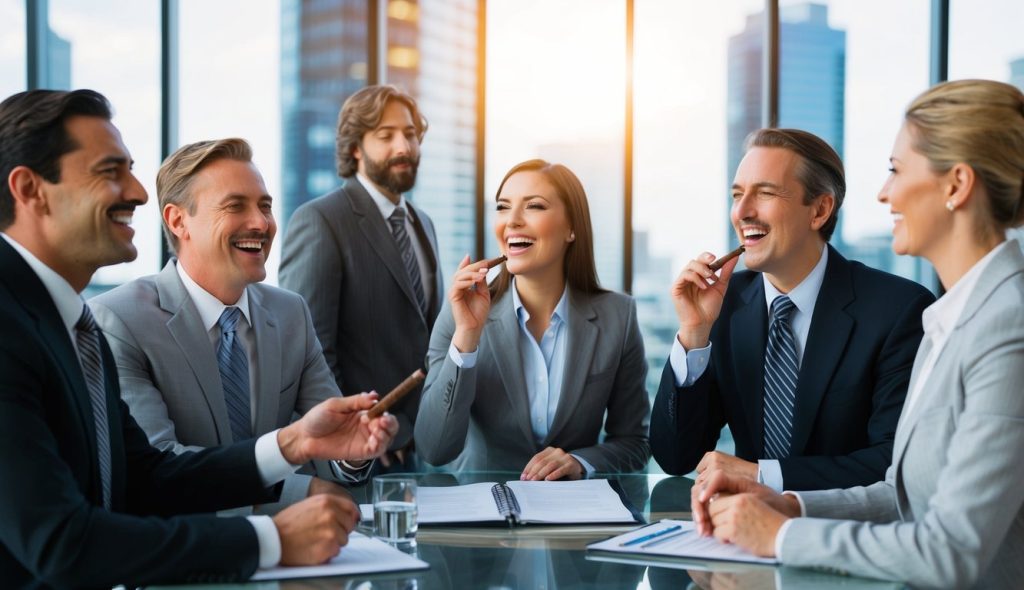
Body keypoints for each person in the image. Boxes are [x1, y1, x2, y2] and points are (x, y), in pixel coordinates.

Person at [0, 89, 397, 587]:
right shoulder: (28, 326)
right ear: (31, 190)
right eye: (110, 171)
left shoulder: (75, 326)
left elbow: (147, 479)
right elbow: (61, 542)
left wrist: (294, 442)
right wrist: (269, 540)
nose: (138, 192)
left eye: (130, 170)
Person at [692, 79, 1024, 589]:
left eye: (896, 170)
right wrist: (790, 504)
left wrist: (781, 535)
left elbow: (953, 551)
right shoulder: (952, 318)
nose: (884, 192)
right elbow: (902, 495)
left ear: (956, 185)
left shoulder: (1008, 328)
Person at [90, 138, 366, 515]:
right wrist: (297, 491)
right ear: (178, 221)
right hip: (189, 544)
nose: (261, 223)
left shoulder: (291, 313)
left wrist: (353, 451)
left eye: (265, 206)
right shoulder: (119, 320)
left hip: (299, 541)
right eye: (236, 206)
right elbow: (159, 466)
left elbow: (329, 446)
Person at [649, 128, 935, 491]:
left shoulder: (899, 310)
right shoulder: (723, 304)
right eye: (737, 195)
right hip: (739, 524)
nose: (742, 212)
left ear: (820, 210)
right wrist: (694, 333)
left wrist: (762, 476)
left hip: (845, 523)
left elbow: (894, 460)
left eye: (765, 193)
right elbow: (676, 457)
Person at [415, 159, 650, 478]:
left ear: (571, 228)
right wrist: (467, 337)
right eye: (502, 207)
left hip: (571, 508)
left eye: (534, 206)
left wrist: (580, 462)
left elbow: (635, 443)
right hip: (482, 506)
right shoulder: (461, 313)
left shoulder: (618, 317)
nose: (511, 221)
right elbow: (433, 448)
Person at [280, 85, 443, 470]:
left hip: (420, 450)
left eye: (410, 134)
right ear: (355, 148)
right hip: (358, 451)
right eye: (386, 136)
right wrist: (357, 435)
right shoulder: (320, 220)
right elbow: (310, 352)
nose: (403, 147)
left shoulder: (424, 224)